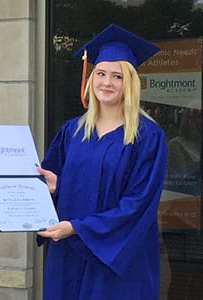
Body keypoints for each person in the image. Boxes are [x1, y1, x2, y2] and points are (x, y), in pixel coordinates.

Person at [36, 24, 167, 299]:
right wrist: (55, 186)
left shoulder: (147, 138)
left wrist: (78, 228)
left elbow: (138, 204)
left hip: (118, 263)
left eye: (117, 76)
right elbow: (55, 191)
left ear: (129, 83)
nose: (106, 82)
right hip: (69, 257)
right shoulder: (71, 131)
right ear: (91, 77)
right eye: (101, 73)